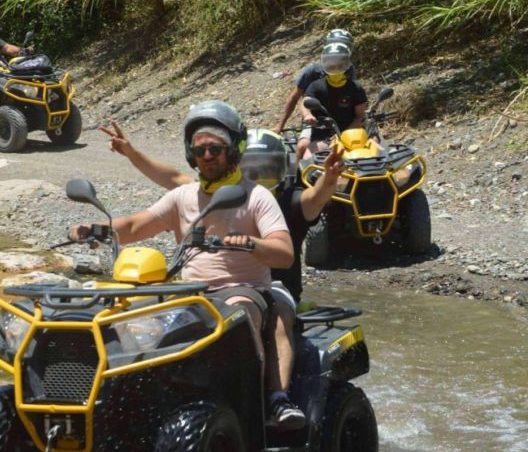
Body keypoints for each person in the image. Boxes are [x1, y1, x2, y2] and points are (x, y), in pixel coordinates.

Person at [96, 114, 346, 429]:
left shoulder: (279, 199)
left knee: (268, 313)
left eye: (268, 166)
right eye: (200, 151)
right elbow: (160, 191)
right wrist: (97, 228)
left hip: (263, 287)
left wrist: (328, 178)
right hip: (200, 292)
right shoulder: (202, 193)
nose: (260, 173)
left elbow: (310, 208)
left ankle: (274, 399)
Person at [276, 29, 356, 162]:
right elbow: (296, 98)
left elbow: (353, 95)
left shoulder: (349, 69)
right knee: (302, 146)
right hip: (314, 120)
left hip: (341, 118)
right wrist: (280, 125)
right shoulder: (311, 71)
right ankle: (294, 177)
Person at [303, 41, 367, 155]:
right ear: (324, 65)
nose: (335, 68)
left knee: (376, 149)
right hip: (322, 134)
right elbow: (305, 102)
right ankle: (299, 173)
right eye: (331, 65)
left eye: (339, 65)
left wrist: (343, 135)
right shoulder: (316, 86)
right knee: (306, 155)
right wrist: (307, 115)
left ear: (346, 65)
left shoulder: (355, 87)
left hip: (352, 134)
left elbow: (360, 116)